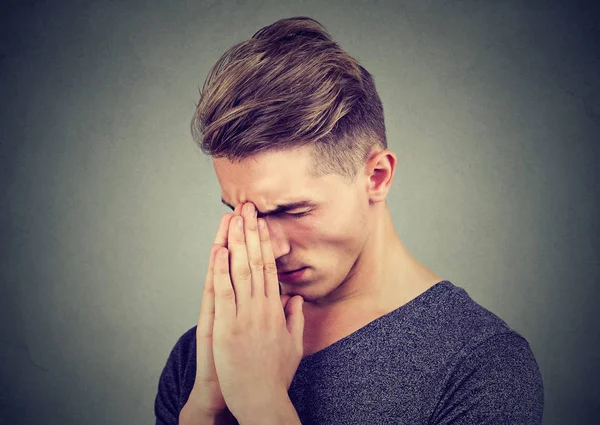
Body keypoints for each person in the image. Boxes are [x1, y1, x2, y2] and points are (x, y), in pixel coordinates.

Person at [155, 16, 544, 425]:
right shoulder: (203, 360)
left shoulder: (482, 366)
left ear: (377, 177)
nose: (267, 249)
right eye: (240, 212)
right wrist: (202, 411)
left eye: (292, 210)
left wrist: (260, 404)